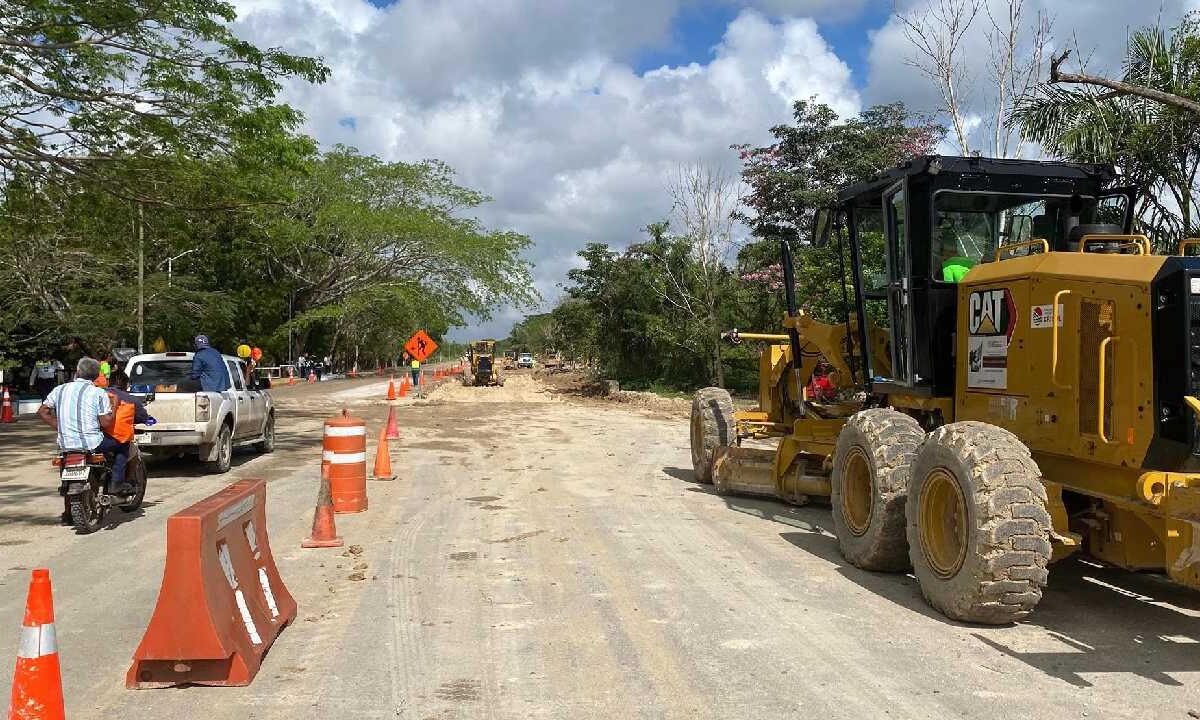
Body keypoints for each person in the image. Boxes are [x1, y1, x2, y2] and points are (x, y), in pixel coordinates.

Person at [36, 357, 134, 497]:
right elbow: (106, 422)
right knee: (123, 445)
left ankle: (67, 495)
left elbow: (43, 411)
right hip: (92, 444)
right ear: (96, 376)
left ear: (77, 372)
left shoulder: (59, 389)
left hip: (65, 444)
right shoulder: (98, 393)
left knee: (65, 460)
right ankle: (116, 484)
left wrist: (60, 427)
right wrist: (115, 404)